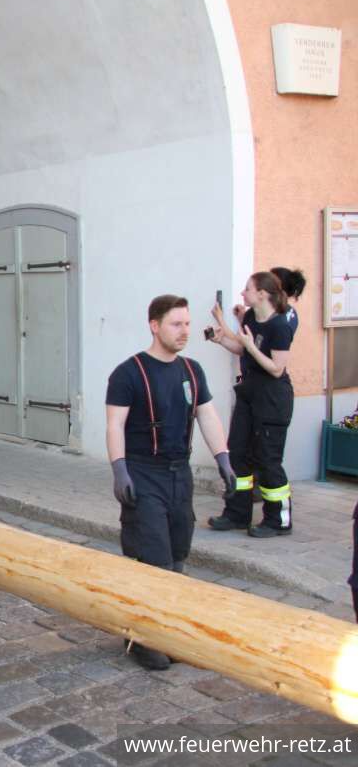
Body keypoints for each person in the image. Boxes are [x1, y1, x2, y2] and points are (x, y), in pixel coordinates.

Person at [105, 294, 233, 671]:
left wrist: (224, 458)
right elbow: (115, 424)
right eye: (177, 324)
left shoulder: (192, 371)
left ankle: (168, 630)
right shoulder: (128, 373)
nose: (185, 331)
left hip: (180, 475)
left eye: (188, 324)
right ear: (155, 325)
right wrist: (119, 469)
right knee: (152, 559)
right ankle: (141, 637)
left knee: (178, 557)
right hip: (144, 474)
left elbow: (207, 417)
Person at [209, 272, 295, 537]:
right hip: (248, 394)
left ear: (262, 294)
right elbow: (242, 350)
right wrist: (221, 339)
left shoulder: (280, 326)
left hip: (272, 399)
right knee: (237, 453)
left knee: (267, 459)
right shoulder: (248, 318)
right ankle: (237, 513)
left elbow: (277, 369)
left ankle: (278, 520)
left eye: (247, 289)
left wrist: (249, 345)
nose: (243, 294)